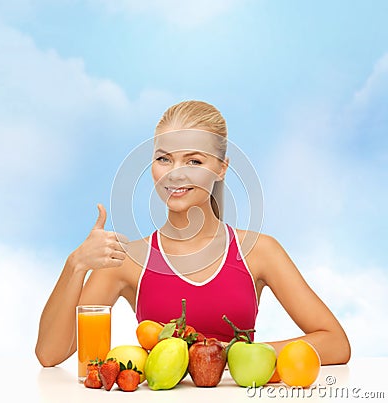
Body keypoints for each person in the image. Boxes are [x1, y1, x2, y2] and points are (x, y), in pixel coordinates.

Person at [35, 100, 351, 367]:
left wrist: (230, 356)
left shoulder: (260, 251)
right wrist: (76, 264)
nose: (175, 173)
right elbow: (50, 354)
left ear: (221, 168)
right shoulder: (130, 260)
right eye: (164, 159)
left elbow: (335, 343)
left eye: (194, 160)